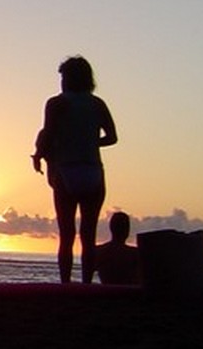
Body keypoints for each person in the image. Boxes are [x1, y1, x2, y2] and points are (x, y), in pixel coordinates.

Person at [32, 56, 118, 283]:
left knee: (67, 234)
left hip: (66, 170)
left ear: (68, 78)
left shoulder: (56, 103)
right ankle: (87, 284)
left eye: (63, 77)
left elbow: (48, 134)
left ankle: (66, 283)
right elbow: (112, 137)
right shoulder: (97, 104)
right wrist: (89, 141)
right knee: (88, 236)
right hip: (93, 172)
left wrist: (39, 156)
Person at [96, 211, 141, 286]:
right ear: (127, 230)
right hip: (128, 294)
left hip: (106, 292)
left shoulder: (98, 251)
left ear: (111, 227)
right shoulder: (135, 253)